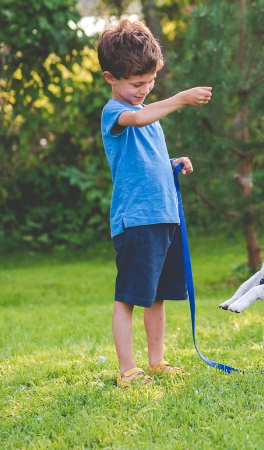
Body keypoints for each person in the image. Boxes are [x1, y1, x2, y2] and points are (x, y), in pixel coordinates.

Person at [97, 19, 213, 387]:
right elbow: (136, 117)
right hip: (137, 221)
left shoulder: (149, 116)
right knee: (128, 298)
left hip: (164, 216)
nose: (144, 90)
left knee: (158, 297)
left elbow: (143, 161)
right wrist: (179, 98)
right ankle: (127, 370)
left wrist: (171, 164)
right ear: (110, 78)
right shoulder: (115, 112)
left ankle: (156, 361)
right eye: (136, 83)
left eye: (150, 82)